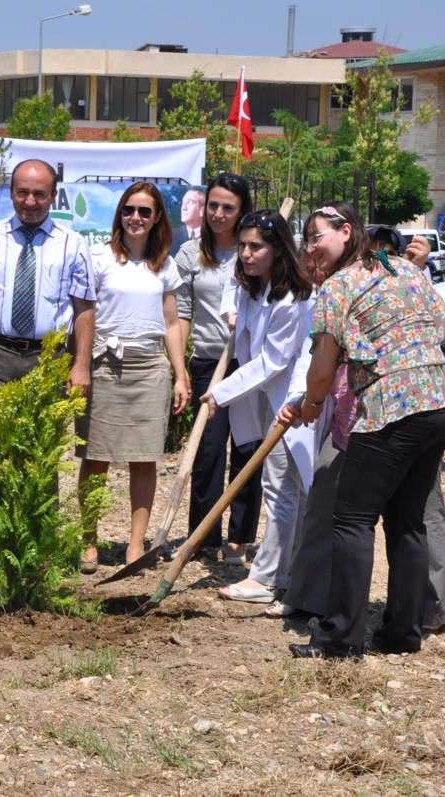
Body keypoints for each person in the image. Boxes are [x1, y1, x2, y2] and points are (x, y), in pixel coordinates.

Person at [285, 202, 445, 660]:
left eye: (316, 236)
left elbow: (321, 369)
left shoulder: (338, 287)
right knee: (406, 520)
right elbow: (443, 329)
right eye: (305, 241)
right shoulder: (403, 269)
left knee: (353, 520)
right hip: (439, 400)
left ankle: (338, 639)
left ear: (346, 232)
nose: (310, 248)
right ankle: (402, 632)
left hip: (392, 405)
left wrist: (311, 404)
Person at [76, 182, 190, 571]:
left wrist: (179, 374)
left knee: (144, 459)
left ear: (157, 217)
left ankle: (135, 546)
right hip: (104, 365)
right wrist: (80, 364)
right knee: (96, 457)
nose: (135, 218)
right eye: (129, 210)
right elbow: (84, 312)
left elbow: (172, 323)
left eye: (144, 211)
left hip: (149, 369)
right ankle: (88, 542)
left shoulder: (165, 264)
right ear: (119, 214)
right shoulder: (99, 257)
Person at [202, 210, 314, 603]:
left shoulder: (290, 297)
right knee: (287, 487)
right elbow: (233, 305)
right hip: (266, 396)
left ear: (277, 249)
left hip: (291, 397)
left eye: (256, 247)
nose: (246, 254)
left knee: (282, 485)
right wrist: (233, 314)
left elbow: (273, 362)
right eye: (244, 246)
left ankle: (267, 578)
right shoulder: (253, 287)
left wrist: (220, 393)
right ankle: (291, 575)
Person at [0, 159, 95, 431]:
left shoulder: (72, 244)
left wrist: (81, 365)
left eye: (39, 194)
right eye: (22, 192)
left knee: (42, 455)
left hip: (47, 360)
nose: (30, 201)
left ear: (54, 196)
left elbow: (84, 310)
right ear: (11, 192)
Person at [174, 172, 261, 564]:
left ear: (243, 210)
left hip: (251, 363)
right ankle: (203, 536)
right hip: (210, 361)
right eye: (213, 205)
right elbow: (181, 315)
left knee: (246, 448)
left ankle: (240, 538)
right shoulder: (191, 255)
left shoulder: (257, 251)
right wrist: (181, 368)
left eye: (229, 207)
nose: (219, 214)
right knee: (207, 452)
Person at [172, 187, 205, 254]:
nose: (183, 207)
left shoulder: (212, 237)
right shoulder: (170, 237)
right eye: (183, 202)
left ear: (202, 209)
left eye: (189, 202)